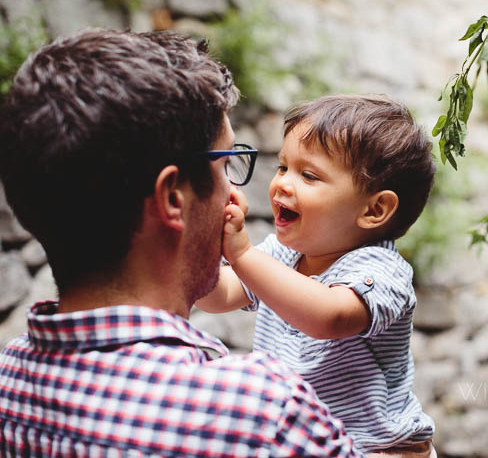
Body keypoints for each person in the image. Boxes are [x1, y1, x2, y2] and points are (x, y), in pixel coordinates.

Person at [0, 29, 361, 457]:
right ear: (173, 198)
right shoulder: (262, 417)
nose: (235, 196)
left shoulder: (8, 382)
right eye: (224, 163)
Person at [196, 95, 437, 457]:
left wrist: (242, 254)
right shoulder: (282, 256)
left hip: (380, 449)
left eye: (308, 175)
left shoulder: (382, 270)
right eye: (282, 167)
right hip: (306, 443)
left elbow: (329, 317)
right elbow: (216, 295)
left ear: (374, 209)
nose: (282, 185)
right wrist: (202, 235)